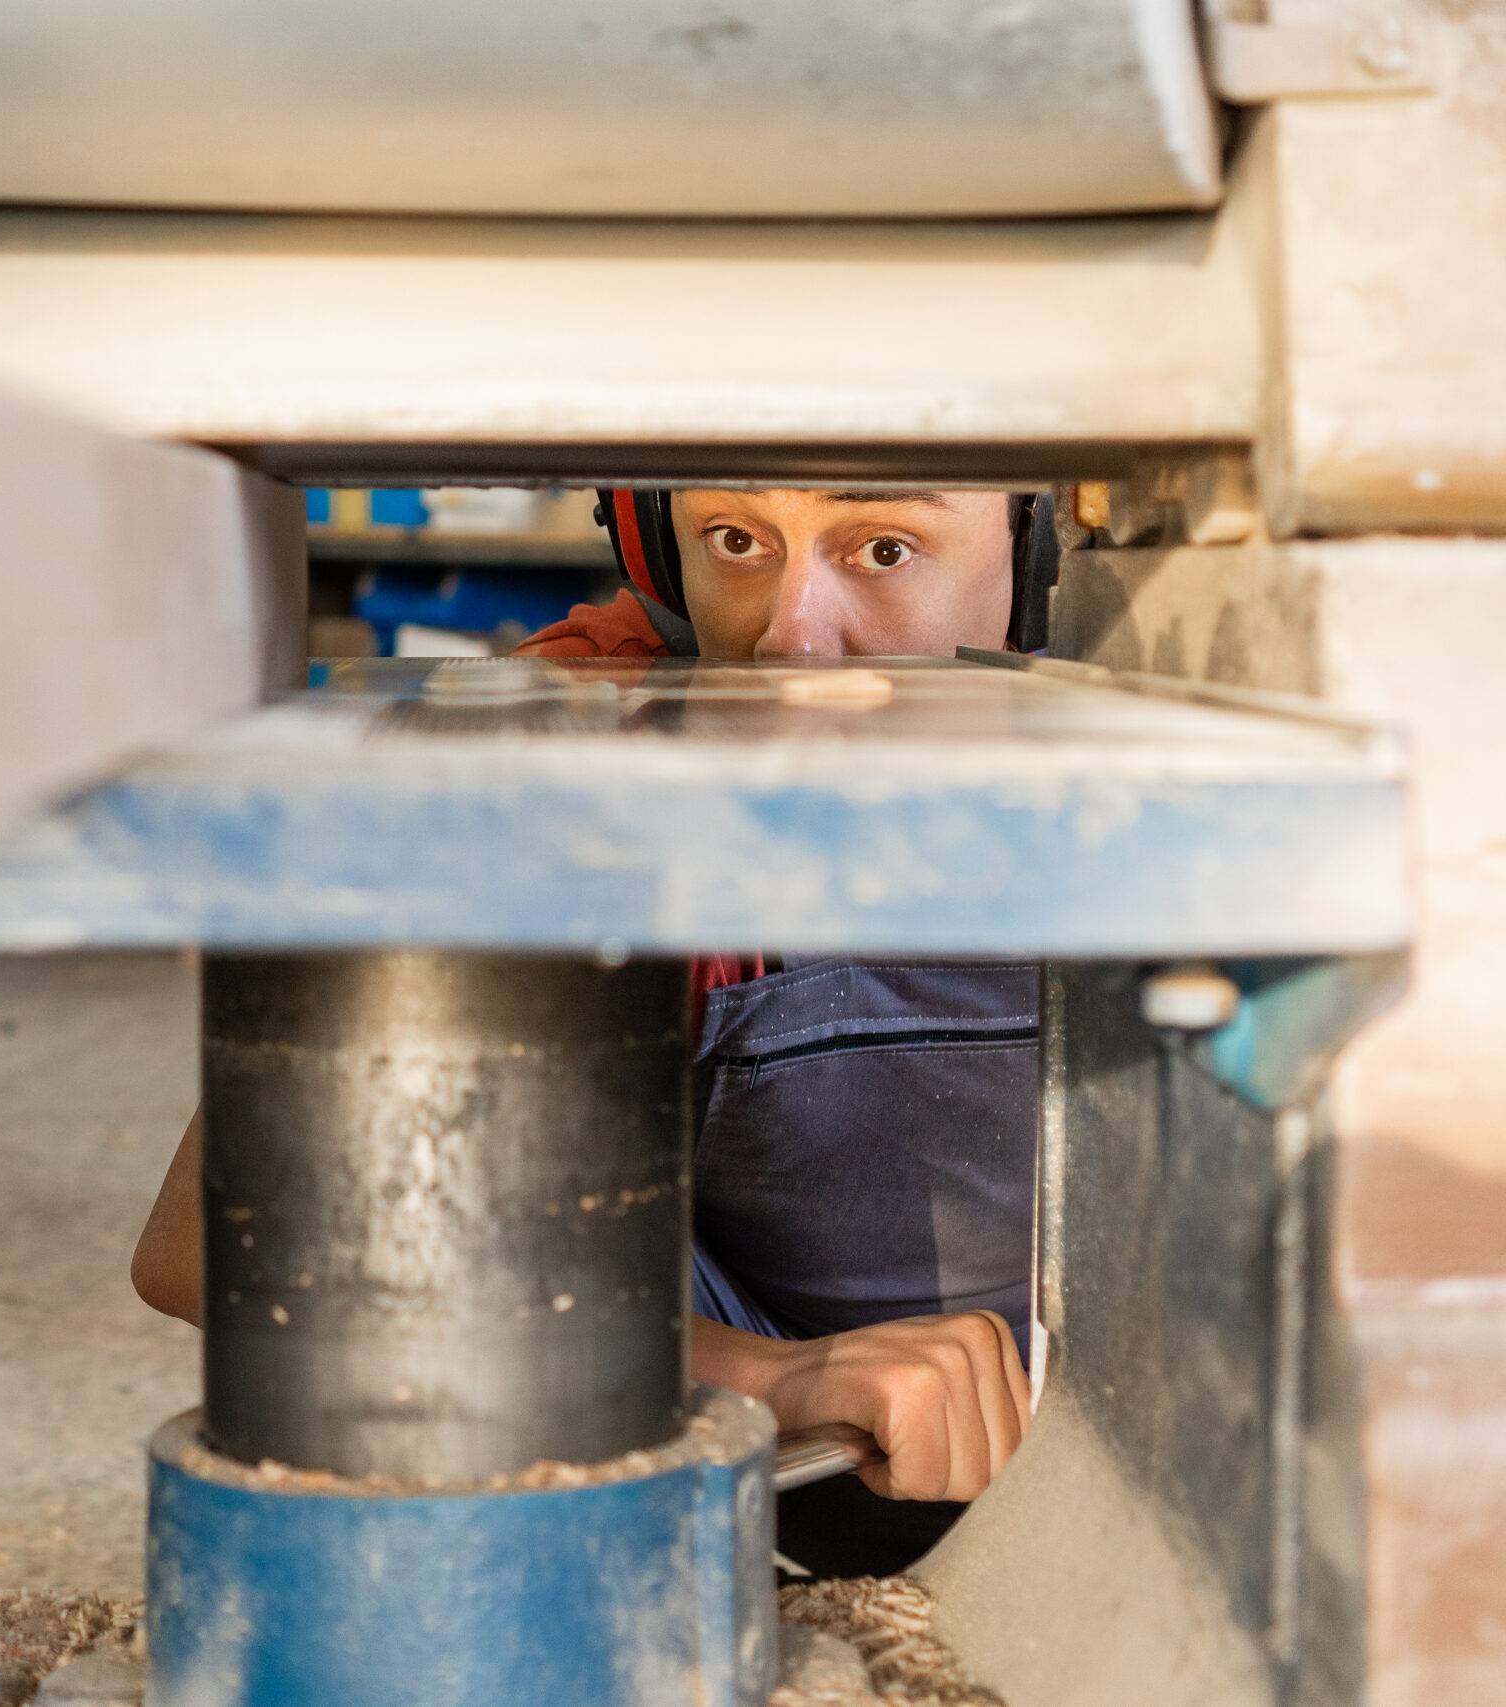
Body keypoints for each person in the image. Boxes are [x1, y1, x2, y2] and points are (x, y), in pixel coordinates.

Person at [132, 485, 1061, 1575]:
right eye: (736, 540)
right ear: (652, 542)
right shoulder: (572, 740)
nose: (788, 637)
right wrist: (770, 1381)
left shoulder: (1232, 709)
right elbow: (216, 1246)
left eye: (884, 549)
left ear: (1049, 550)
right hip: (747, 1490)